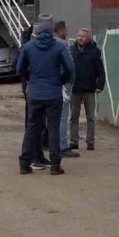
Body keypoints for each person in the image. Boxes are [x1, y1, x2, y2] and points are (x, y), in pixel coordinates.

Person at [17, 14, 74, 175]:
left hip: (35, 93)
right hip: (54, 92)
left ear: (37, 29)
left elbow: (19, 69)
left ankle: (24, 163)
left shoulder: (28, 47)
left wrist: (31, 79)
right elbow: (70, 68)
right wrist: (61, 80)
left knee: (32, 128)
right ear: (51, 28)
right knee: (53, 128)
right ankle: (55, 165)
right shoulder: (59, 47)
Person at [15, 25, 50, 171]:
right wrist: (30, 79)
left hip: (34, 90)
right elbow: (19, 67)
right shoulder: (28, 48)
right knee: (33, 125)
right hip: (33, 91)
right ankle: (32, 158)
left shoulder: (28, 47)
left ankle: (38, 155)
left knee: (39, 125)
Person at [69, 28, 106, 151]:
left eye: (83, 36)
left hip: (89, 89)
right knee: (74, 116)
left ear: (89, 38)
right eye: (79, 36)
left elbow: (100, 71)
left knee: (90, 117)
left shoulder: (95, 52)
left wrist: (100, 85)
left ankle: (90, 141)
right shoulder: (71, 50)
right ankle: (73, 141)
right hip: (75, 89)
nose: (80, 38)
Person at [53, 21, 79, 159]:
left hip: (52, 85)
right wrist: (66, 82)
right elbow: (69, 67)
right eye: (65, 30)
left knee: (53, 117)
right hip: (64, 85)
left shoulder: (50, 44)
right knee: (63, 116)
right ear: (61, 30)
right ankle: (62, 145)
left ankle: (54, 144)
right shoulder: (62, 45)